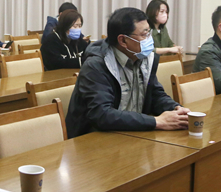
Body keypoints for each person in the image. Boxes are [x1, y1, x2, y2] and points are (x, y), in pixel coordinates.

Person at [65, 7, 190, 137]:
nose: (149, 39)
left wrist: (176, 109)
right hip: (95, 138)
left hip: (133, 132)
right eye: (144, 34)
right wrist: (156, 121)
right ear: (123, 40)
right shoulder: (96, 66)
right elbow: (102, 114)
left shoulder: (142, 57)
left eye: (149, 32)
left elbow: (155, 95)